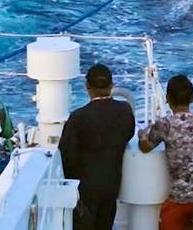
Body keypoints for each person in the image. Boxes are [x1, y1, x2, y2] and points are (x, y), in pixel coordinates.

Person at [58, 64, 135, 230]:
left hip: (85, 188)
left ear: (87, 87)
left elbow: (65, 156)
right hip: (112, 183)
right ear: (112, 85)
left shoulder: (78, 117)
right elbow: (128, 134)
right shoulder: (125, 110)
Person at [138, 74, 193, 230]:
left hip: (180, 199)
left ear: (167, 99)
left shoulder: (166, 124)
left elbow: (145, 147)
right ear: (192, 98)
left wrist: (143, 134)